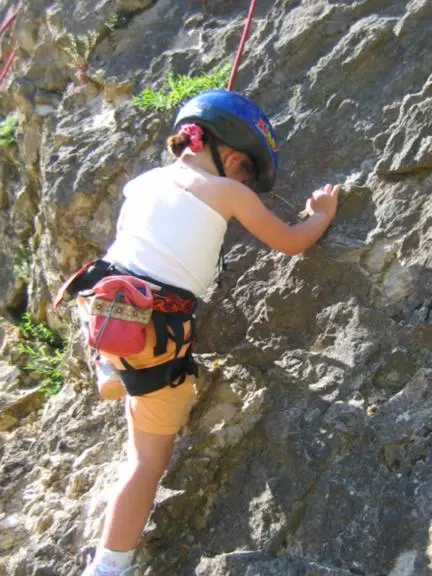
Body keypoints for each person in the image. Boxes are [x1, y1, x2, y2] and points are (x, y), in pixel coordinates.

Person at [76, 89, 340, 575]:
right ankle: (108, 567)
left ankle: (109, 361)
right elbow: (289, 242)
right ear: (233, 158)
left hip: (101, 306)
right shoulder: (229, 191)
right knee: (146, 462)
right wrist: (320, 214)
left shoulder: (143, 182)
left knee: (120, 291)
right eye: (246, 172)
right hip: (156, 335)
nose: (246, 183)